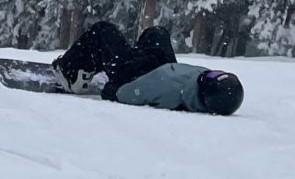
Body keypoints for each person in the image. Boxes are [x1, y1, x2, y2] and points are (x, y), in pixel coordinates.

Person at [52, 21, 243, 115]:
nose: (211, 73)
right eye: (216, 73)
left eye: (213, 77)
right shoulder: (198, 82)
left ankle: (70, 73)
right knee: (157, 33)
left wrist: (112, 90)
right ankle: (107, 58)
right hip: (158, 65)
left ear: (207, 92)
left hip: (133, 75)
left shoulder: (169, 89)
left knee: (104, 30)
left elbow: (125, 94)